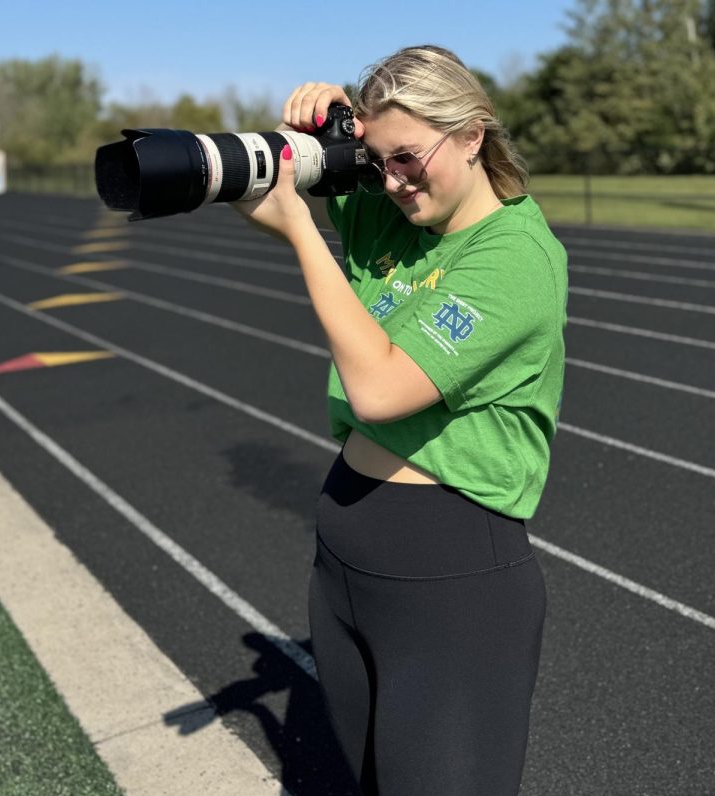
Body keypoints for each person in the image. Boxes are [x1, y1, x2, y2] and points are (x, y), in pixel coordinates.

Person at [231, 44, 568, 796]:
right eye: (377, 161)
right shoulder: (394, 212)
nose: (392, 181)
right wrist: (317, 124)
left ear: (474, 133)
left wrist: (302, 234)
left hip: (449, 579)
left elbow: (379, 391)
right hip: (347, 563)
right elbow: (288, 179)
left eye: (409, 157)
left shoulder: (515, 256)